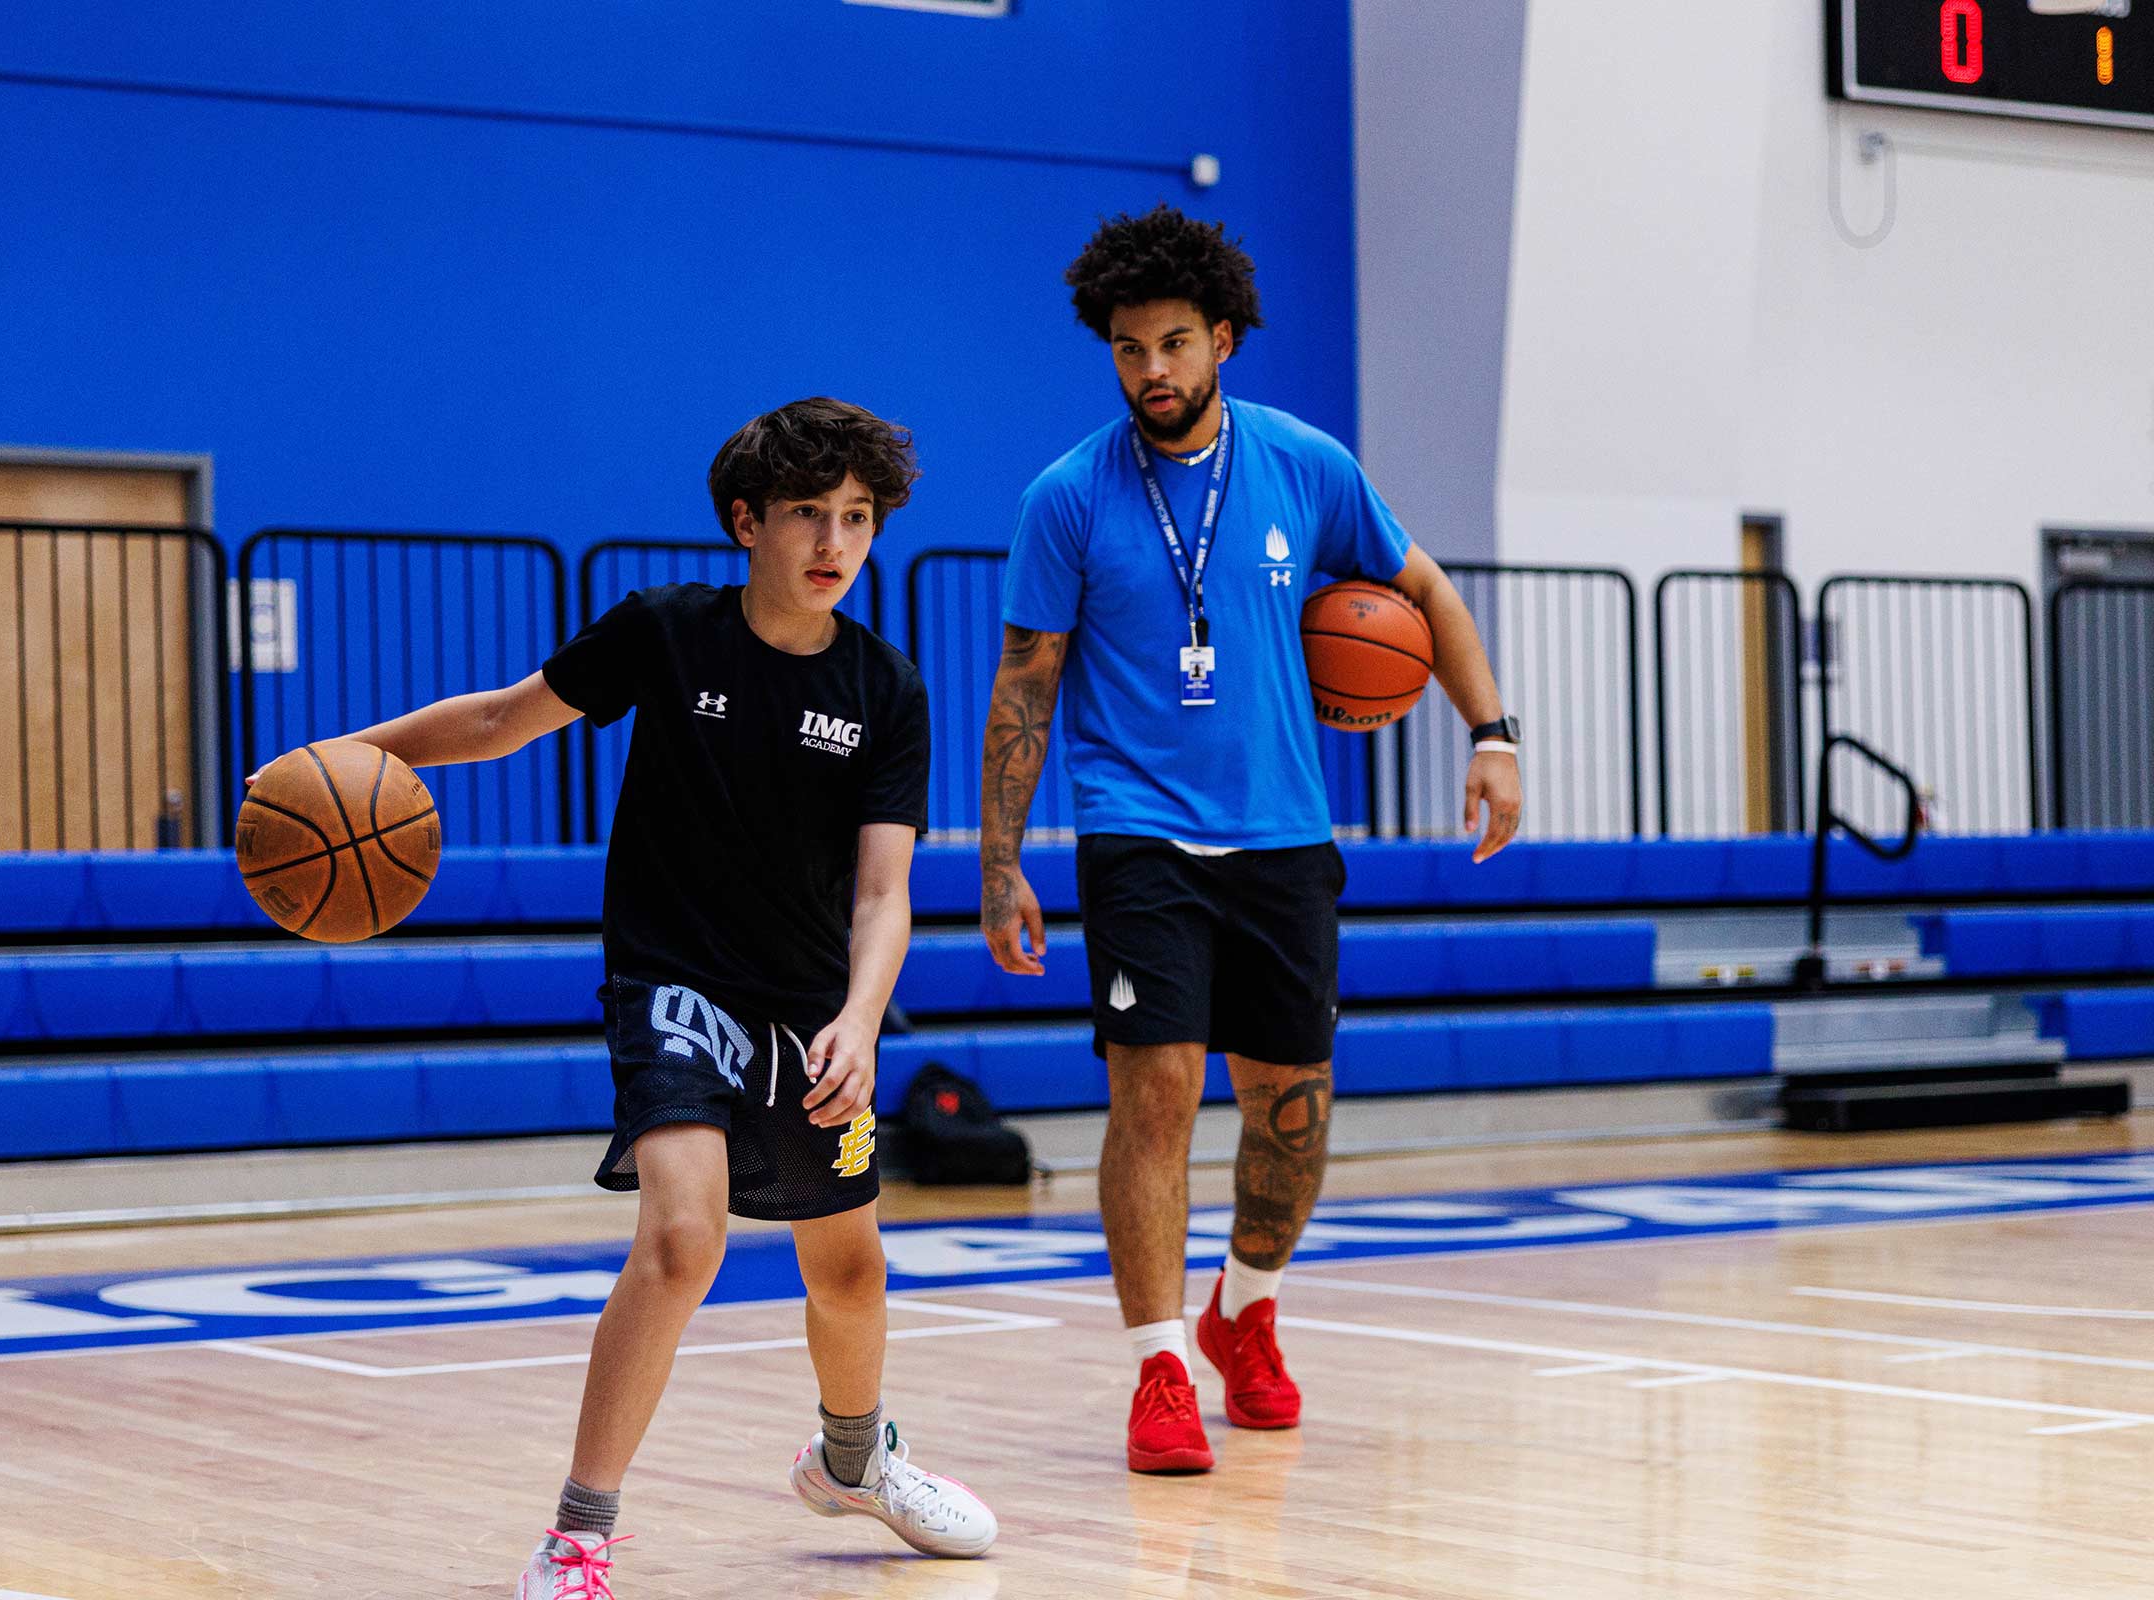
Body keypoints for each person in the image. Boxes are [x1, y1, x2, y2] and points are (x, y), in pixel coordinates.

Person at [262, 398, 995, 1595]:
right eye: (808, 513)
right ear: (746, 521)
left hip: (809, 1004)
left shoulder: (887, 688)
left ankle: (854, 1461)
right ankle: (580, 1531)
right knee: (683, 1234)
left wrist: (861, 1017)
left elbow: (884, 892)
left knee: (849, 1270)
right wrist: (347, 758)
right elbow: (503, 719)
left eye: (857, 518)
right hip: (673, 978)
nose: (834, 541)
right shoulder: (666, 632)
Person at [979, 207, 1523, 1474]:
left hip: (1283, 831)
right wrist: (1001, 857)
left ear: (1222, 339)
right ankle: (1161, 1364)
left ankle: (1246, 1310)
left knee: (1294, 1111)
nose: (1151, 371)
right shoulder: (1066, 497)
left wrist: (1490, 731)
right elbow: (1025, 684)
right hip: (1137, 831)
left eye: (1173, 343)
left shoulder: (1303, 465)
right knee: (1155, 1088)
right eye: (1128, 350)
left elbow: (1427, 592)